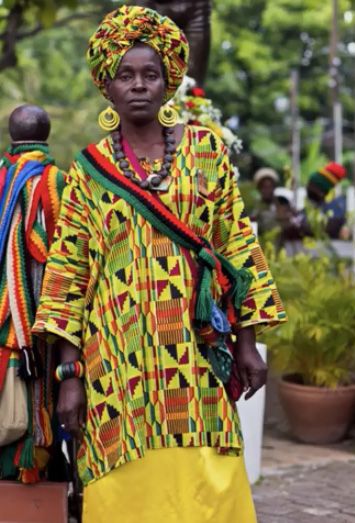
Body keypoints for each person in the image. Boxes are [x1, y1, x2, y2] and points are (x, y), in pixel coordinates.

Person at [32, 6, 286, 522]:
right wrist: (70, 374)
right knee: (124, 489)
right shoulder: (87, 171)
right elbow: (68, 275)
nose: (139, 85)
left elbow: (237, 247)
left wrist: (248, 343)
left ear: (169, 80)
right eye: (126, 75)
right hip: (117, 363)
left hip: (196, 354)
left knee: (206, 480)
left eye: (151, 74)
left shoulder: (207, 152)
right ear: (108, 85)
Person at [0, 104, 65, 482]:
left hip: (10, 314)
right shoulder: (57, 181)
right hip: (39, 314)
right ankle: (37, 468)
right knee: (40, 393)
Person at [251, 167, 280, 235]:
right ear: (259, 188)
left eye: (270, 186)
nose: (267, 190)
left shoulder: (281, 203)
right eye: (264, 187)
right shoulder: (255, 206)